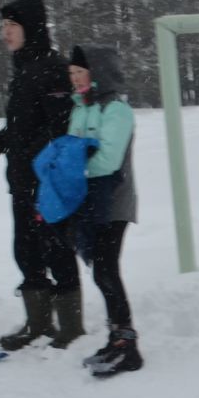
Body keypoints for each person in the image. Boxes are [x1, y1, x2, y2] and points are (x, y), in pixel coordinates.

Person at [0, 0, 78, 350]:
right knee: (26, 252)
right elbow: (21, 127)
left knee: (56, 250)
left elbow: (58, 127)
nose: (5, 34)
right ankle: (38, 322)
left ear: (31, 28)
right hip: (21, 181)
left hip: (46, 182)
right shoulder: (23, 70)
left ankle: (70, 326)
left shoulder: (52, 68)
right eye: (3, 27)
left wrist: (30, 158)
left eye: (12, 27)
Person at [66, 45, 142, 377]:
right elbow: (72, 149)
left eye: (80, 73)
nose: (75, 79)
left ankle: (128, 344)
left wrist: (72, 168)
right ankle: (117, 337)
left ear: (98, 74)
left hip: (113, 201)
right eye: (72, 74)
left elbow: (108, 160)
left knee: (107, 269)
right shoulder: (80, 109)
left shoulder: (117, 111)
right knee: (100, 269)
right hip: (87, 201)